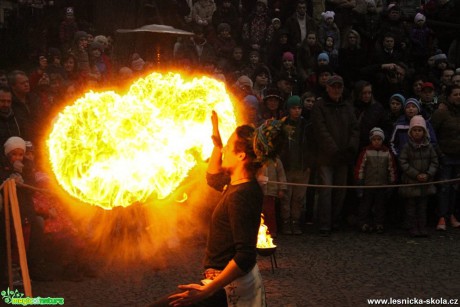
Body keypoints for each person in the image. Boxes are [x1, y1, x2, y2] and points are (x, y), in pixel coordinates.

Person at [151, 112, 283, 307]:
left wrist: (207, 291)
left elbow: (245, 256)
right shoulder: (238, 184)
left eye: (229, 147)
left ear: (241, 155)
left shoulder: (242, 194)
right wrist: (217, 145)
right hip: (224, 284)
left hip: (227, 288)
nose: (224, 151)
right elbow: (213, 178)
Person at [311, 75, 360, 236]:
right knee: (326, 190)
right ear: (327, 87)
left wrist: (350, 148)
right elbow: (320, 130)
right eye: (333, 86)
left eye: (339, 86)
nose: (336, 89)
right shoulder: (320, 106)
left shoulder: (347, 106)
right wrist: (334, 150)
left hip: (344, 156)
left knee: (340, 190)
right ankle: (324, 223)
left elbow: (354, 128)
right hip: (326, 156)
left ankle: (335, 220)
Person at [398, 115, 439, 237]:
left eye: (420, 130)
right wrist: (416, 174)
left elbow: (434, 161)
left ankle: (422, 226)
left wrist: (428, 174)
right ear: (411, 132)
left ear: (424, 132)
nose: (417, 133)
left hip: (425, 183)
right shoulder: (407, 147)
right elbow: (403, 162)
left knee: (422, 207)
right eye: (415, 130)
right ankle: (412, 227)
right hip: (411, 182)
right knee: (411, 208)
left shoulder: (429, 146)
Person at [279, 95, 312, 235]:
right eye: (294, 108)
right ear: (288, 109)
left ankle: (295, 221)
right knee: (286, 196)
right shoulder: (282, 125)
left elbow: (312, 145)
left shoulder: (307, 125)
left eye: (299, 108)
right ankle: (286, 221)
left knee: (299, 197)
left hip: (302, 167)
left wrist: (310, 163)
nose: (297, 111)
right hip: (287, 166)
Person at [354, 127, 397, 233]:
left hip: (382, 185)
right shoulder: (366, 152)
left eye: (379, 139)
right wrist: (359, 182)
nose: (377, 141)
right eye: (374, 139)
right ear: (371, 140)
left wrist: (392, 182)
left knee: (380, 206)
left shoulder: (387, 152)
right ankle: (363, 223)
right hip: (368, 185)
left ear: (382, 140)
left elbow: (391, 169)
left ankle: (379, 224)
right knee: (365, 206)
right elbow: (360, 168)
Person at [430, 85, 460, 230]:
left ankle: (451, 214)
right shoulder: (441, 113)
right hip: (445, 155)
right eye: (455, 94)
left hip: (458, 156)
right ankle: (441, 216)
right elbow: (432, 133)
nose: (458, 97)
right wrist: (439, 153)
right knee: (444, 188)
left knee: (454, 188)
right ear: (448, 96)